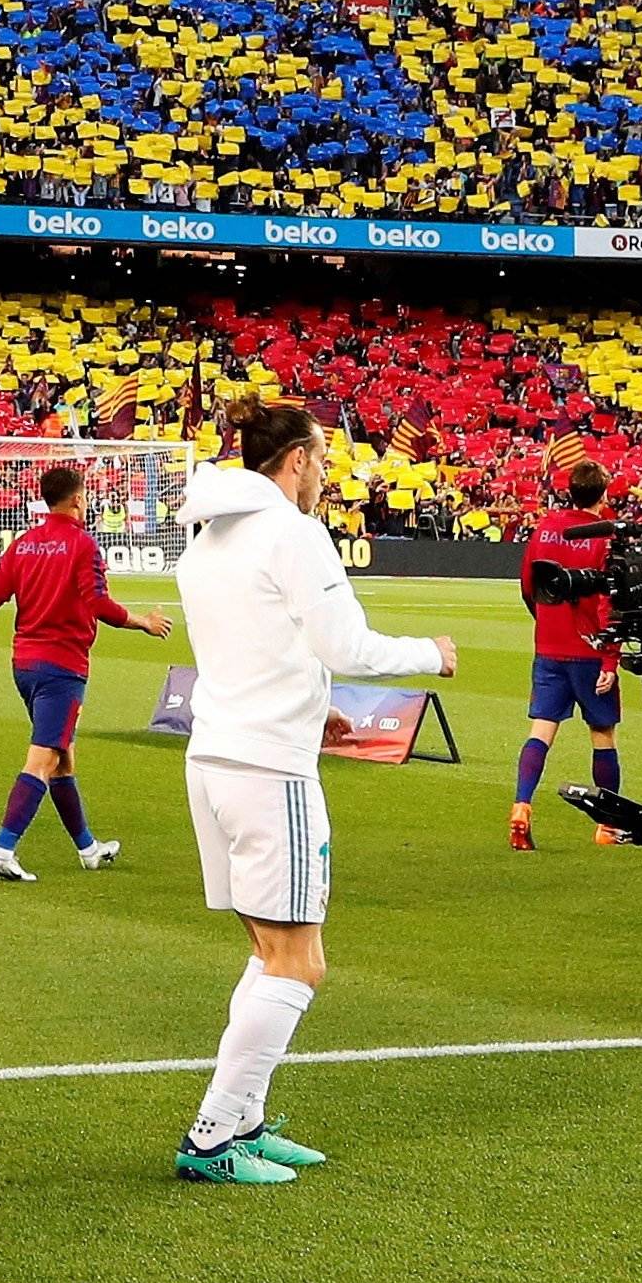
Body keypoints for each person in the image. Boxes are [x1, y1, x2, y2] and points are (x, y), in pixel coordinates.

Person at [168, 400, 452, 1182]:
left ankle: (246, 1119)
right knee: (299, 962)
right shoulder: (292, 532)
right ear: (294, 460)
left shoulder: (209, 535)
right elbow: (345, 641)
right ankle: (213, 1136)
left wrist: (304, 696)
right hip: (268, 771)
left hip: (217, 756)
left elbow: (251, 643)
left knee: (267, 953)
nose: (326, 477)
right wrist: (431, 651)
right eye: (322, 461)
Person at [0, 461, 170, 878]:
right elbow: (98, 604)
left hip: (24, 664)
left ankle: (88, 848)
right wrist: (142, 622)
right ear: (78, 498)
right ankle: (2, 851)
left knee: (63, 759)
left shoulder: (24, 543)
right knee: (43, 759)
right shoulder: (83, 546)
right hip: (62, 668)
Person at [508, 462, 626, 855]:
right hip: (591, 649)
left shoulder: (544, 529)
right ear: (604, 492)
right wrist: (611, 658)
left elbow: (529, 586)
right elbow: (610, 600)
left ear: (568, 491)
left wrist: (545, 622)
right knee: (602, 735)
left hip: (549, 647)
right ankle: (607, 825)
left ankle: (521, 805)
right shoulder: (605, 536)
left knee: (541, 730)